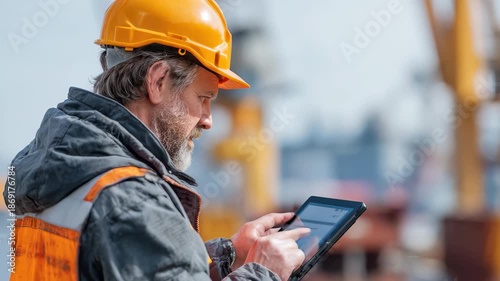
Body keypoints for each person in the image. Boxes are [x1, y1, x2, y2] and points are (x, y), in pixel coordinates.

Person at [3, 0, 310, 280]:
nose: (208, 119)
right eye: (203, 98)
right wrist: (264, 273)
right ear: (158, 81)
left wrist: (226, 255)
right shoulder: (134, 199)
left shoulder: (60, 166)